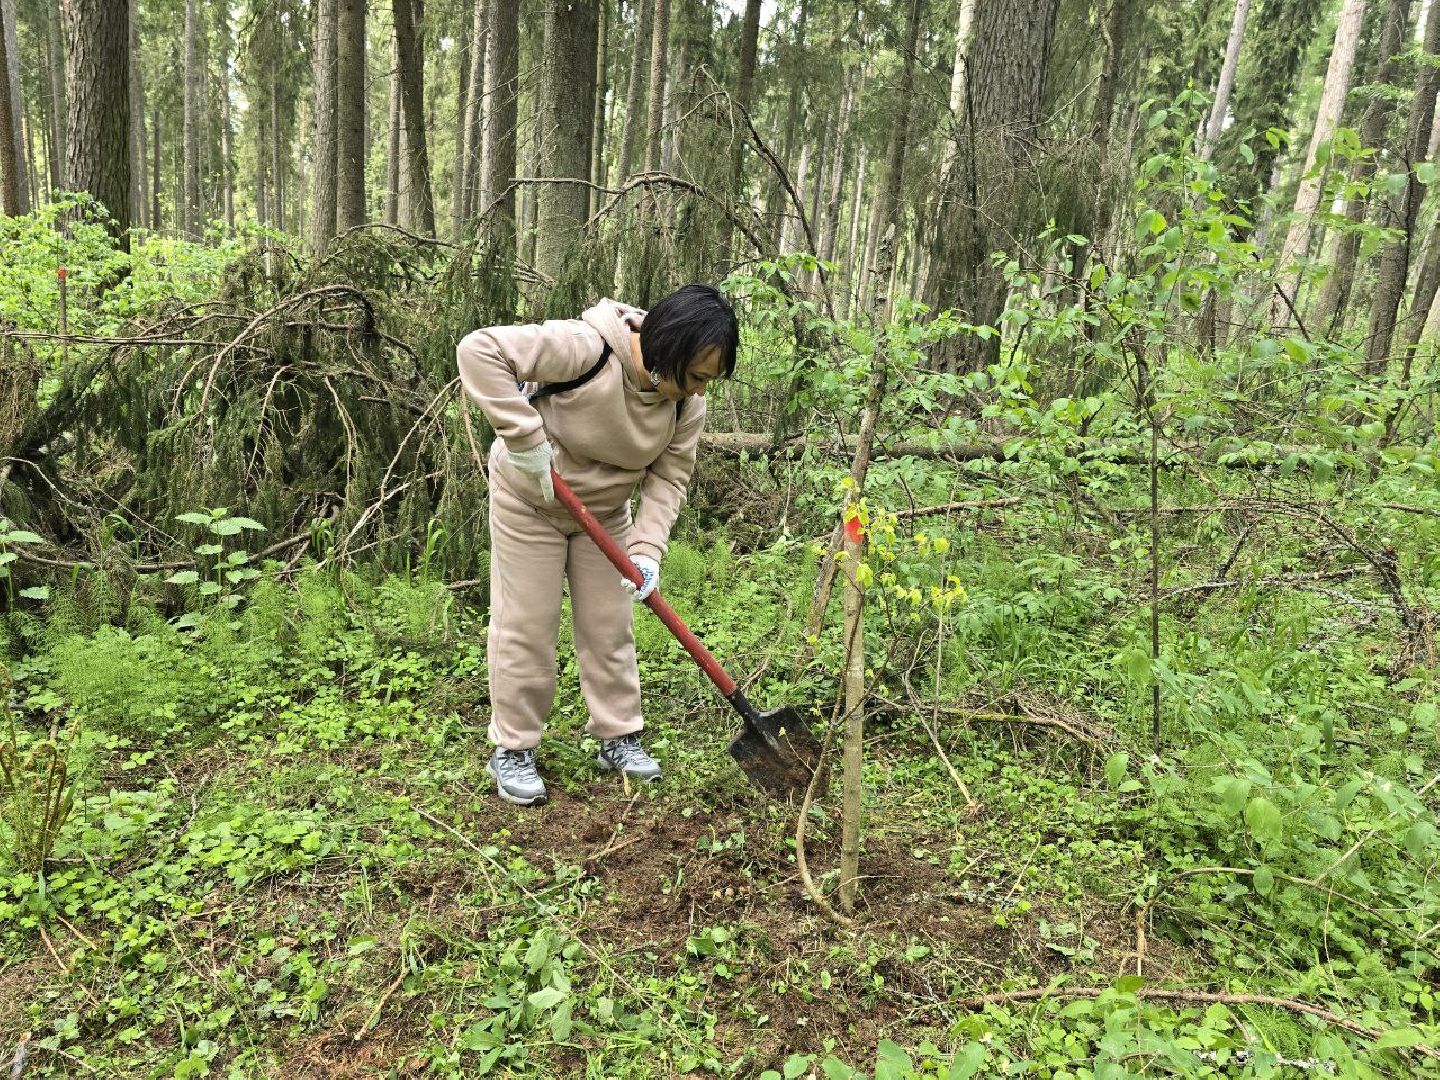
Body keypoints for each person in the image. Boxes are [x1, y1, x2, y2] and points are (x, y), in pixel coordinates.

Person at [456, 285, 739, 806]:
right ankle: (514, 747)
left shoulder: (685, 407)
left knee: (610, 629)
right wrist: (523, 439)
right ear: (669, 350)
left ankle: (619, 737)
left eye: (710, 380)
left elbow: (669, 478)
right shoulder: (585, 348)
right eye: (697, 375)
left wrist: (647, 549)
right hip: (530, 504)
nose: (701, 390)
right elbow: (478, 350)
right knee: (527, 626)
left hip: (605, 518)